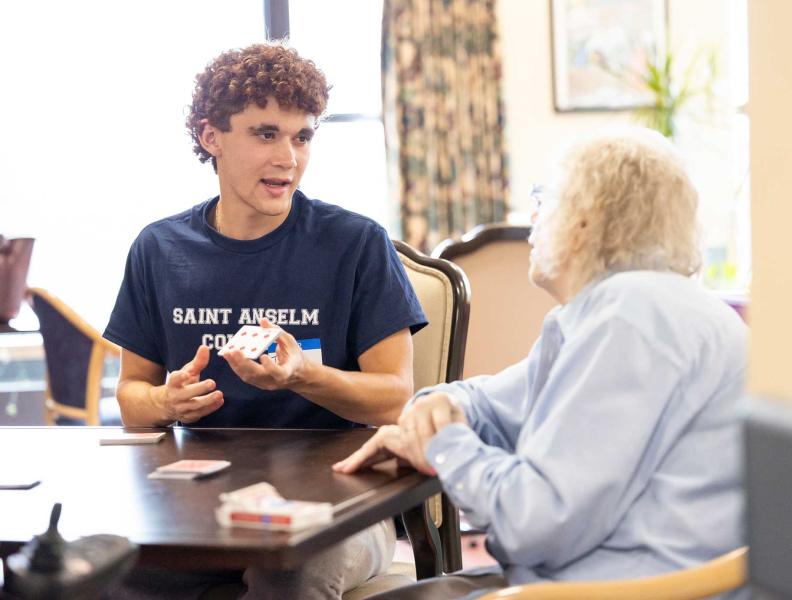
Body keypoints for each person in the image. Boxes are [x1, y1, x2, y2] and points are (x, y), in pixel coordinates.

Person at [333, 126, 749, 599]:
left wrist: (444, 443)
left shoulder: (628, 317)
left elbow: (533, 522)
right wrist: (441, 404)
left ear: (586, 219)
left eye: (544, 197)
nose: (532, 214)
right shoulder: (632, 306)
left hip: (617, 588)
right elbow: (499, 399)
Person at [103, 43, 426, 600]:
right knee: (82, 570)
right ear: (211, 138)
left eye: (303, 136)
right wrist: (166, 403)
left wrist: (304, 377)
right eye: (266, 134)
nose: (290, 159)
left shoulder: (355, 243)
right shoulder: (159, 249)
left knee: (291, 572)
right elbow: (131, 396)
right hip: (200, 503)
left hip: (345, 505)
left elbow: (396, 399)